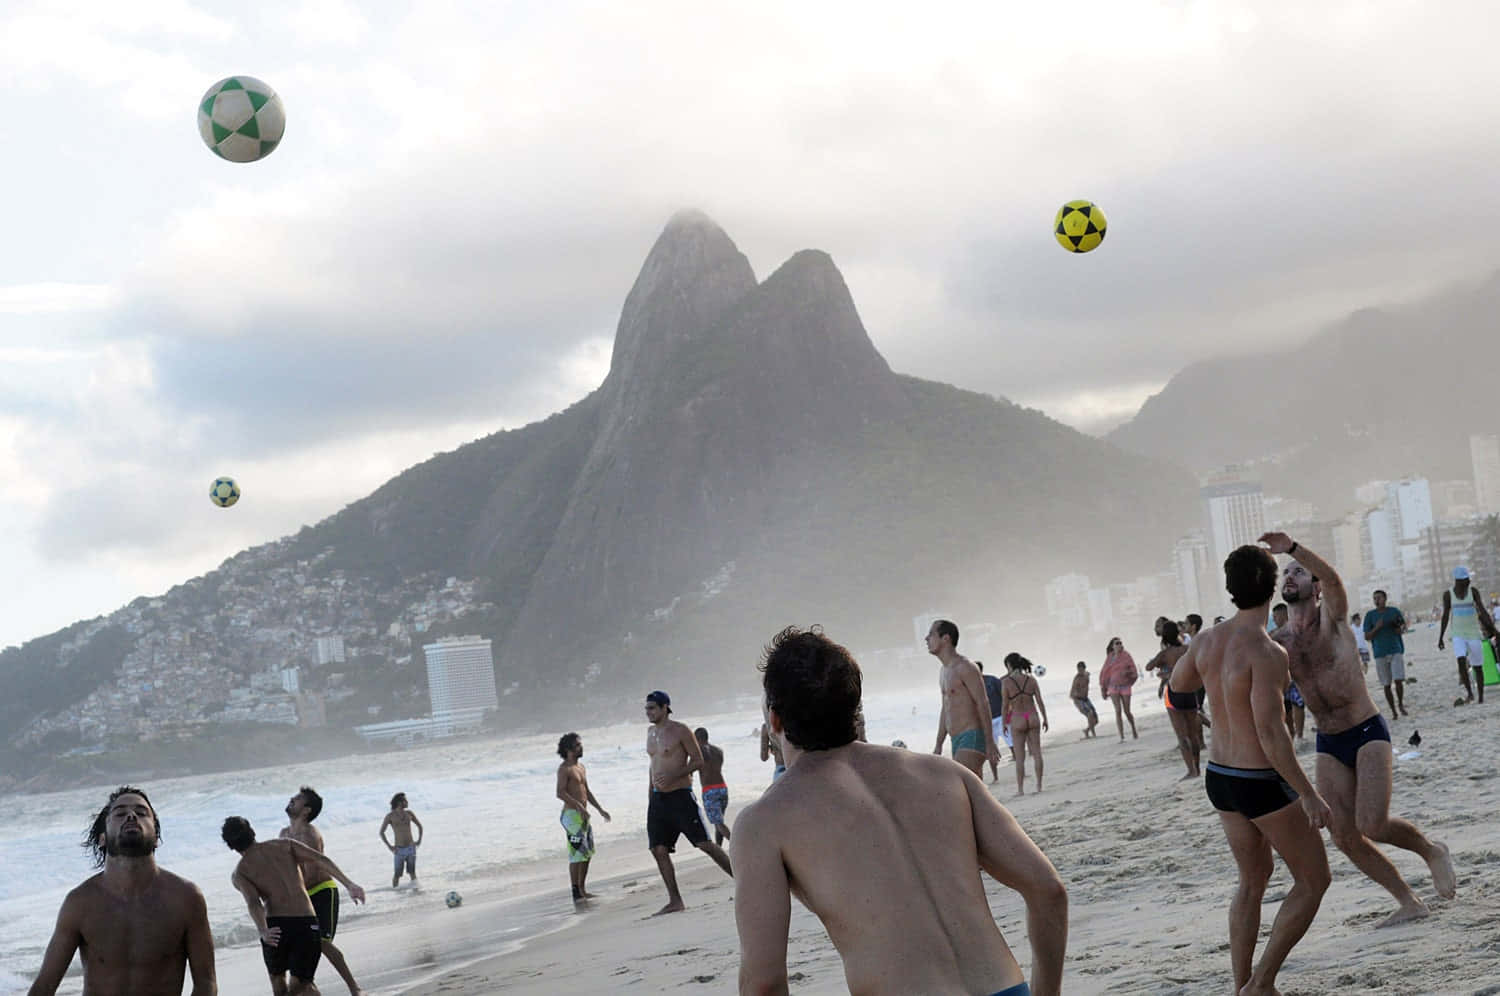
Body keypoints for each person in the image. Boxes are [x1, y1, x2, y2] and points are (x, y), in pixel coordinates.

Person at [734, 625, 1067, 996]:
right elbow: (1047, 890)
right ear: (853, 704)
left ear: (775, 720)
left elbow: (763, 984)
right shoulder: (946, 775)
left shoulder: (763, 822)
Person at [1262, 532, 1456, 926]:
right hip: (1329, 741)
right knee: (1344, 836)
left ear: (1314, 587)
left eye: (1299, 571)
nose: (1290, 575)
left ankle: (1432, 850)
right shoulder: (1278, 643)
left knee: (1373, 823)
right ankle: (1408, 901)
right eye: (1286, 572)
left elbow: (1333, 581)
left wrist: (1295, 549)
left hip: (1366, 730)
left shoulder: (1332, 621)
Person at [1167, 545, 1332, 995]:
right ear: (1272, 586)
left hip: (1220, 777)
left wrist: (1212, 685)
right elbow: (1271, 734)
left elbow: (1178, 685)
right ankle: (1260, 983)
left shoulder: (1206, 640)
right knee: (1314, 879)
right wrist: (1308, 794)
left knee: (1253, 880)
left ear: (1230, 588)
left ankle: (1242, 984)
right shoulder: (1266, 651)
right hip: (1259, 780)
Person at [28, 786, 216, 996]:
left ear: (156, 837)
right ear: (103, 838)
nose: (131, 815)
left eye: (142, 812)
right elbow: (44, 987)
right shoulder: (80, 903)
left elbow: (205, 984)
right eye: (119, 813)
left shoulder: (185, 898)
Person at [223, 816, 366, 996]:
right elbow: (321, 859)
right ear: (252, 832)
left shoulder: (240, 872)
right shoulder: (284, 845)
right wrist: (349, 884)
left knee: (282, 987)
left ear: (230, 846)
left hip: (276, 927)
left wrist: (263, 930)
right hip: (304, 922)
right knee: (301, 985)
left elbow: (254, 903)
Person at [644, 690, 732, 914]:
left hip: (680, 795)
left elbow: (698, 760)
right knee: (658, 849)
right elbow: (653, 766)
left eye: (652, 708)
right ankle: (675, 900)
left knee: (705, 844)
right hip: (658, 799)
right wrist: (650, 796)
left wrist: (674, 776)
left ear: (665, 708)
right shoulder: (650, 733)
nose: (648, 712)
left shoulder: (680, 731)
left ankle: (743, 880)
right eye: (646, 708)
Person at [279, 787, 364, 996]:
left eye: (297, 799)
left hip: (322, 892)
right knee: (299, 955)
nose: (292, 799)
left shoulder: (310, 834)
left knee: (322, 943)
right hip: (301, 897)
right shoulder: (283, 834)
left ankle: (355, 989)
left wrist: (349, 885)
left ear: (306, 810)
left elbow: (312, 870)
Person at [927, 619, 1002, 777]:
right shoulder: (944, 671)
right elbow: (946, 709)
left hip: (972, 735)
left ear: (945, 638)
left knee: (960, 783)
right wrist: (939, 744)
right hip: (956, 739)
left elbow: (982, 703)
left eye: (931, 634)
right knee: (973, 793)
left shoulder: (965, 667)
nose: (926, 639)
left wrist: (990, 742)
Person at [556, 732, 611, 901]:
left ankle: (582, 889)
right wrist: (579, 806)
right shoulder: (564, 769)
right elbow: (560, 793)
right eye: (578, 745)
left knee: (587, 853)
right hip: (571, 815)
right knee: (577, 853)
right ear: (569, 749)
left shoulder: (581, 767)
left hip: (583, 814)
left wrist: (600, 809)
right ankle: (575, 892)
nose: (581, 748)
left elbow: (586, 791)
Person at [1439, 565, 1496, 703]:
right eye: (1466, 579)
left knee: (1477, 666)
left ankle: (1481, 696)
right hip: (1458, 633)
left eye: (1468, 578)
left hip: (1474, 633)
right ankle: (1470, 693)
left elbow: (1482, 612)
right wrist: (1440, 637)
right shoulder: (1448, 595)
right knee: (1461, 660)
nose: (1469, 581)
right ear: (1458, 581)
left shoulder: (1473, 592)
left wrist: (1493, 630)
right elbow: (1445, 616)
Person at [1150, 622, 1200, 778]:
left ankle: (1191, 770)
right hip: (1190, 691)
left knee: (1181, 735)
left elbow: (1149, 666)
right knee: (1193, 734)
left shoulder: (1165, 654)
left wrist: (1165, 670)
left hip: (1173, 692)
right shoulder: (1187, 649)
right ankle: (1198, 769)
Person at [1001, 652, 1048, 796]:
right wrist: (1045, 718)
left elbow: (1004, 705)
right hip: (1032, 715)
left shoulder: (1007, 682)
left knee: (1020, 757)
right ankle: (1039, 785)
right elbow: (1039, 700)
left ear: (1009, 665)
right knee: (1037, 753)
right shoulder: (1031, 680)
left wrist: (1004, 723)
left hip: (1018, 717)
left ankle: (1020, 789)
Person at [1362, 590, 1408, 720]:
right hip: (1379, 652)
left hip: (1395, 649)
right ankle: (1393, 710)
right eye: (1374, 598)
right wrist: (1376, 627)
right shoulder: (1370, 615)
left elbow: (1403, 628)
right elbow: (1367, 636)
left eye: (1379, 598)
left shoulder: (1394, 611)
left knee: (1398, 680)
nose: (1377, 601)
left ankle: (1400, 704)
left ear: (1385, 598)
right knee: (1386, 684)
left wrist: (1398, 628)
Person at [694, 727, 732, 845]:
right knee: (718, 823)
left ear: (696, 739)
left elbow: (692, 770)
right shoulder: (719, 751)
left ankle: (737, 844)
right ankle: (720, 850)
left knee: (718, 823)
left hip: (709, 790)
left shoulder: (699, 752)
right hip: (722, 788)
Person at [378, 792, 423, 889]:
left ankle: (416, 892)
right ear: (399, 802)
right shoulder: (390, 816)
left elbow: (420, 826)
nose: (407, 802)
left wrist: (419, 840)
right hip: (399, 849)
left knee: (412, 872)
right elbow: (381, 832)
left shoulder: (409, 813)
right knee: (397, 875)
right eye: (405, 801)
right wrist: (389, 846)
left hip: (411, 848)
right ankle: (396, 893)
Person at [977, 661, 1011, 782]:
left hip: (1001, 717)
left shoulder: (991, 680)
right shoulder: (971, 685)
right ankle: (995, 777)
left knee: (1011, 744)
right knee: (991, 750)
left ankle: (1019, 767)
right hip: (986, 721)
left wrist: (1008, 712)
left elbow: (1005, 696)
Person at [1099, 637, 1138, 741]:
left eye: (1120, 643)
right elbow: (1104, 673)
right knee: (1118, 710)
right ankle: (1121, 736)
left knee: (1127, 711)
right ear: (1112, 646)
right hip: (1113, 687)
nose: (1119, 644)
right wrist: (1103, 688)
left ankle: (1133, 728)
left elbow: (1133, 669)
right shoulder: (1110, 658)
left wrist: (1129, 674)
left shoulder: (1126, 655)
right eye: (1117, 643)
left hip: (1125, 686)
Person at [1068, 661, 1099, 738]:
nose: (1080, 671)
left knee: (1096, 720)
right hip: (1078, 700)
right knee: (1089, 714)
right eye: (1079, 669)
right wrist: (1076, 700)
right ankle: (1093, 734)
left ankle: (1087, 730)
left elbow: (1088, 674)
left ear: (1084, 669)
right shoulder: (1077, 679)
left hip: (1086, 699)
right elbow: (1071, 693)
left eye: (1081, 669)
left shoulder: (1086, 675)